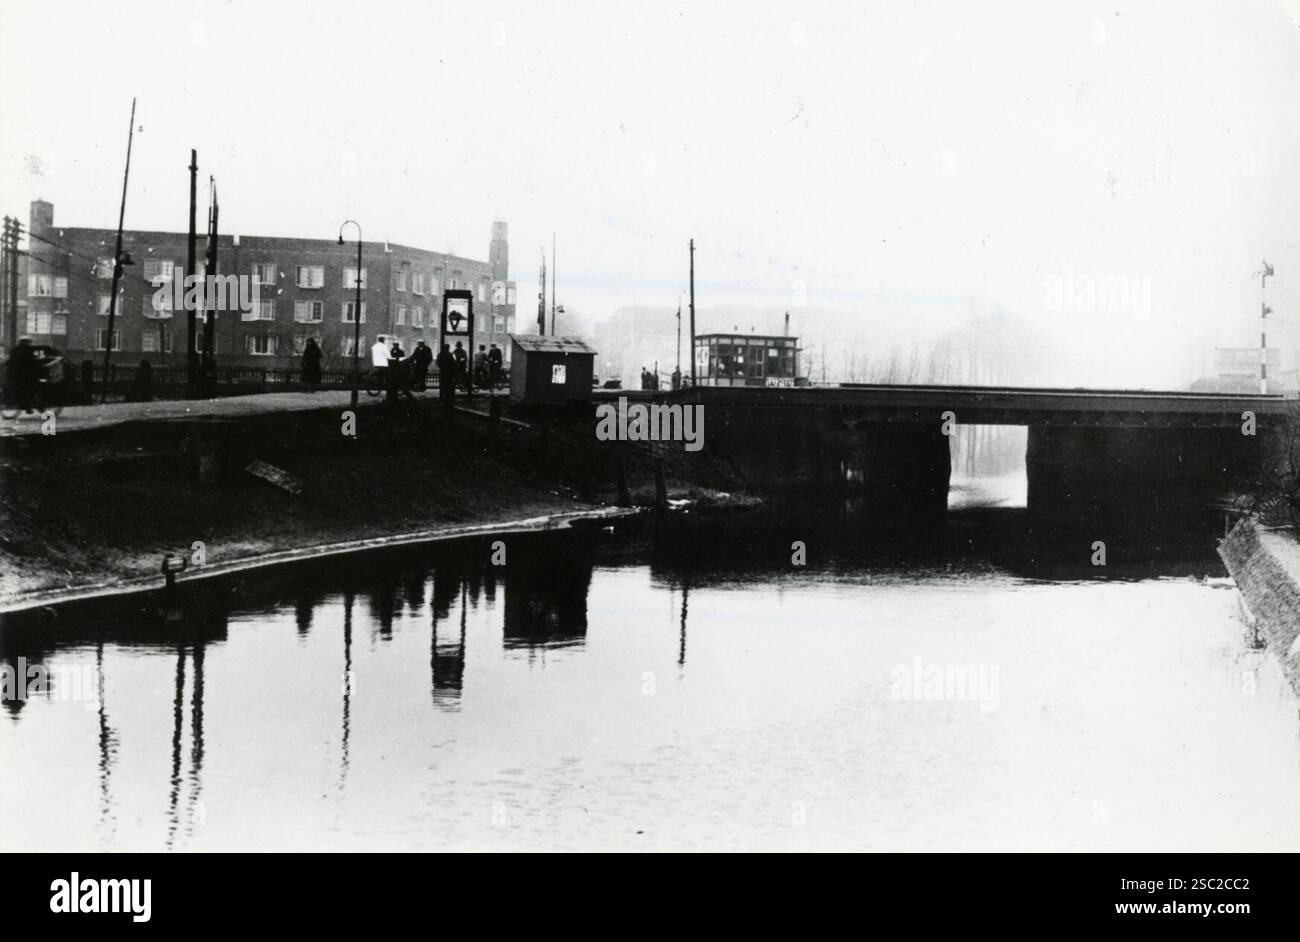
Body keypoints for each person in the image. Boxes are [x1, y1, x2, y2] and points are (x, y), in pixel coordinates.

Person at [7, 337, 37, 412]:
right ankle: (27, 407)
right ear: (25, 342)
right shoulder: (27, 350)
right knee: (28, 388)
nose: (29, 344)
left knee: (22, 389)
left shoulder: (15, 349)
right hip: (22, 374)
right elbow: (31, 361)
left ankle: (25, 405)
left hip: (14, 373)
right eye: (28, 342)